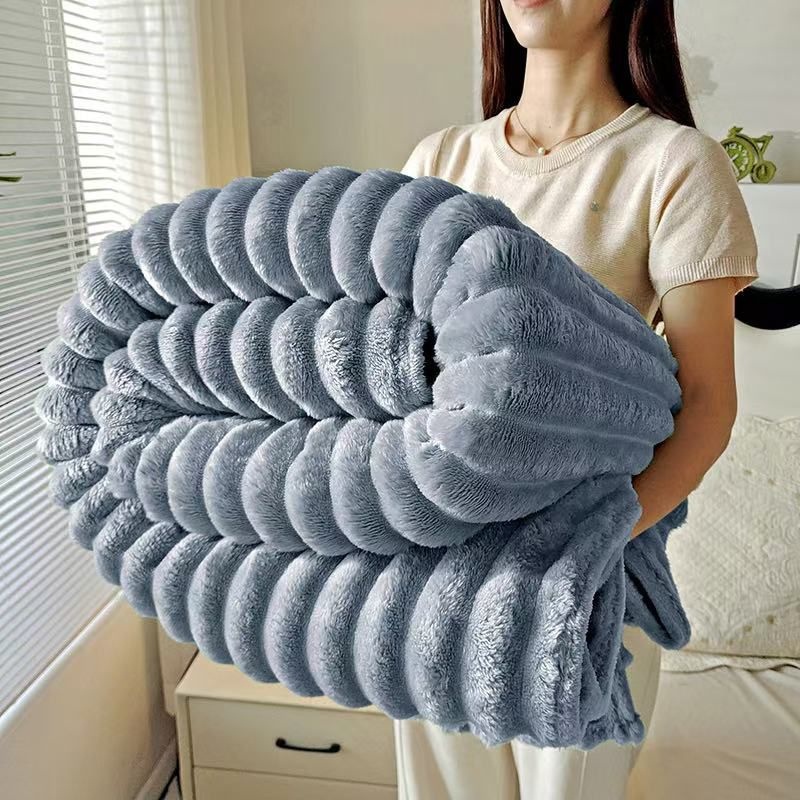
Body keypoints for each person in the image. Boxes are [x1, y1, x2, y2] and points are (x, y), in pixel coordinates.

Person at [394, 1, 759, 798]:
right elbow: (395, 374)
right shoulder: (439, 161)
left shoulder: (675, 164)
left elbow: (706, 407)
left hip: (584, 591)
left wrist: (584, 550)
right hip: (435, 580)